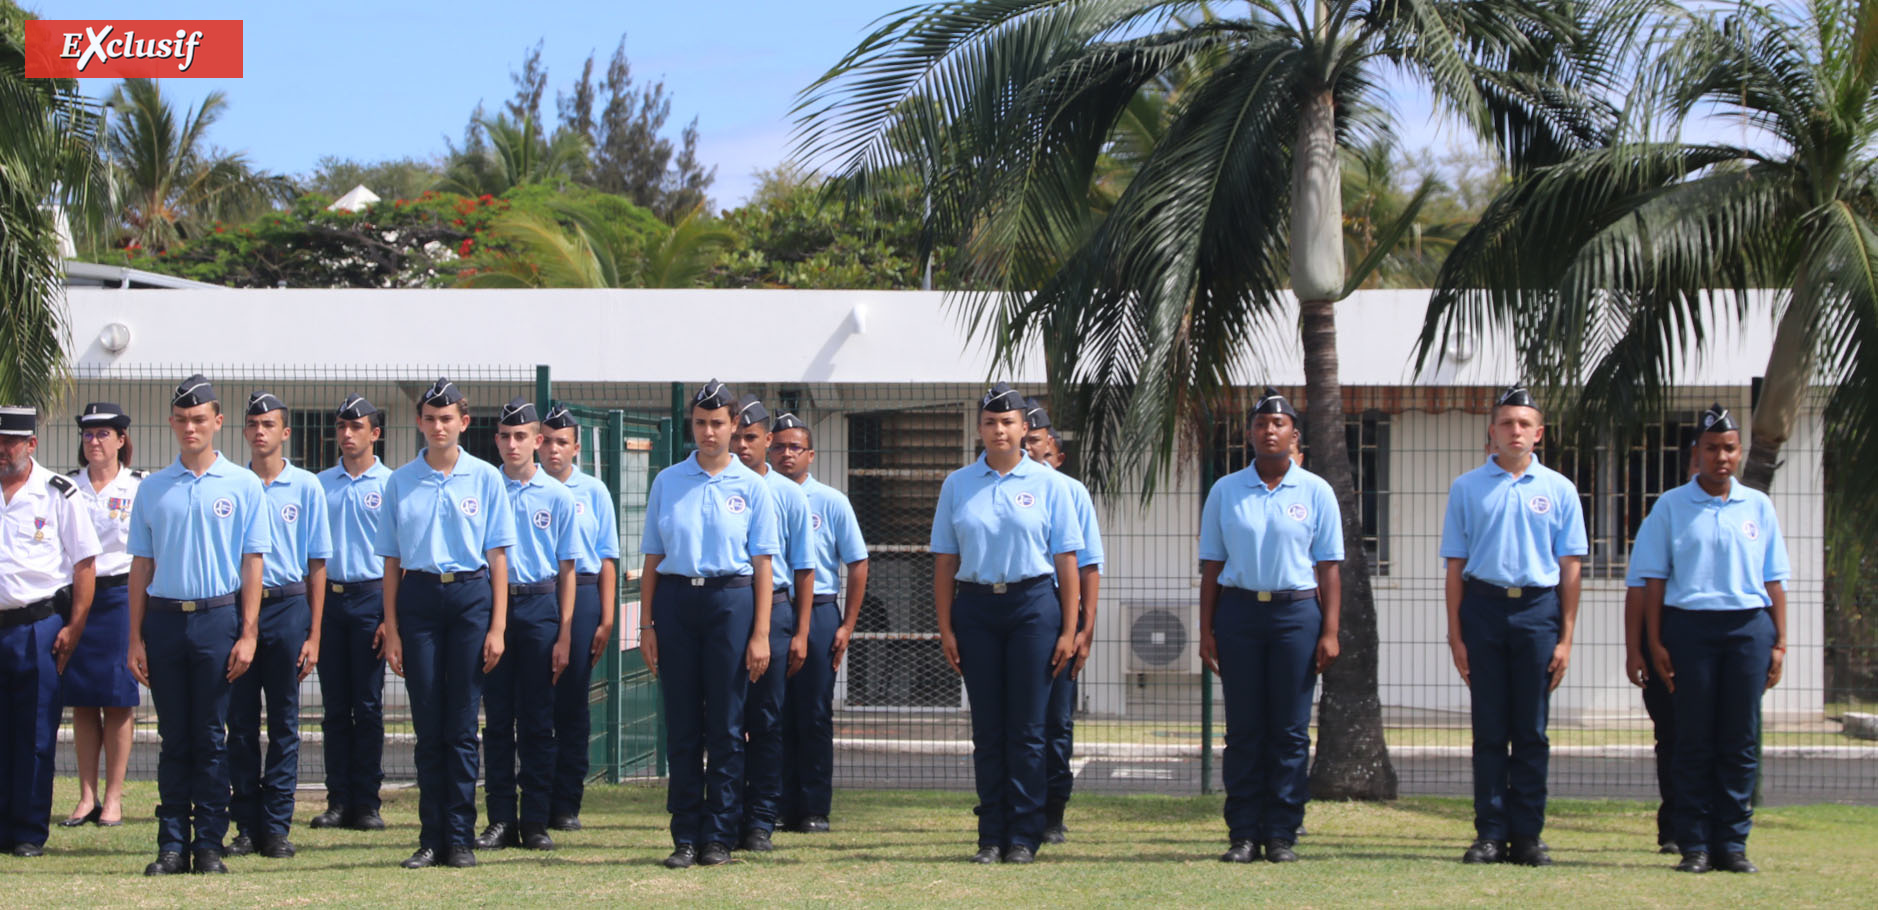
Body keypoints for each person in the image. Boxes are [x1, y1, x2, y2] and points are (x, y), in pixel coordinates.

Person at [931, 382, 1082, 865]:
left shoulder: (1051, 485)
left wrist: (1069, 629)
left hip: (1033, 606)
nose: (999, 430)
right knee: (989, 729)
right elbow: (944, 561)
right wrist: (946, 627)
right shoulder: (958, 484)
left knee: (1029, 729)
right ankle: (991, 834)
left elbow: (1067, 562)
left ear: (1024, 428)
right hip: (976, 608)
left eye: (1008, 422)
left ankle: (1024, 834)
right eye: (991, 422)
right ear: (980, 428)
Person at [127, 375, 271, 875]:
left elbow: (253, 563)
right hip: (165, 621)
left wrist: (249, 632)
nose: (190, 427)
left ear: (217, 422)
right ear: (172, 423)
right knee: (174, 740)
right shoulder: (152, 487)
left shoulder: (243, 485)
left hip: (216, 619)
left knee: (213, 737)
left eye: (199, 419)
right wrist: (135, 639)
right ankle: (171, 844)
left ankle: (208, 842)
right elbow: (140, 567)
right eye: (182, 420)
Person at [1636, 404, 1789, 875]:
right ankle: (1695, 843)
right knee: (1694, 738)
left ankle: (1733, 843)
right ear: (1696, 453)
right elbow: (1653, 581)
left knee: (1740, 740)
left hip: (1748, 629)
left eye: (1728, 448)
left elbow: (1775, 580)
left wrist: (1780, 643)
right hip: (1690, 629)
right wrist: (1655, 641)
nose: (1721, 457)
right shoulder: (1671, 506)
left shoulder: (1758, 507)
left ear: (1739, 453)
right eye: (1711, 449)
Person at [1439, 385, 1586, 867]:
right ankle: (1489, 833)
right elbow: (1456, 565)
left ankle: (1526, 835)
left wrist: (1564, 637)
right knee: (1488, 729)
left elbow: (1570, 567)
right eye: (1507, 423)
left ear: (1538, 433)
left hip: (1538, 612)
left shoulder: (1560, 490)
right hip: (1483, 609)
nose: (1515, 431)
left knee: (1531, 730)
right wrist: (1456, 634)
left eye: (1524, 424)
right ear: (1492, 432)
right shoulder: (1467, 488)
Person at [375, 377, 516, 869]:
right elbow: (391, 561)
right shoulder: (400, 481)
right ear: (419, 423)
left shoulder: (485, 478)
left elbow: (498, 558)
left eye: (447, 418)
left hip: (470, 597)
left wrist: (497, 627)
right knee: (428, 722)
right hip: (418, 597)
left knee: (461, 723)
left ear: (464, 422)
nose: (439, 427)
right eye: (430, 419)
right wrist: (391, 627)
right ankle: (431, 836)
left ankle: (459, 836)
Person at [639, 380, 781, 869]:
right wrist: (647, 625)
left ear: (735, 425)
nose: (708, 432)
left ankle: (719, 834)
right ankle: (684, 834)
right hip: (678, 602)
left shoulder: (753, 486)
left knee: (725, 725)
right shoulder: (667, 481)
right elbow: (654, 557)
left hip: (731, 602)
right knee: (681, 724)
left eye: (717, 423)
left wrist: (761, 632)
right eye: (700, 423)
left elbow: (763, 564)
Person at [1197, 388, 1341, 864]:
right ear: (1250, 434)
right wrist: (1206, 630)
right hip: (1239, 613)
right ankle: (1242, 833)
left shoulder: (1316, 491)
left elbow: (1328, 568)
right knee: (1243, 730)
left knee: (1290, 730)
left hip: (1295, 615)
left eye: (1278, 425)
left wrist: (1330, 631)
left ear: (1293, 435)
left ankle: (1281, 833)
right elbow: (1212, 567)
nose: (1269, 431)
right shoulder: (1226, 490)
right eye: (1260, 425)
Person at [228, 392, 332, 860]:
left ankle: (275, 826)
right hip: (238, 609)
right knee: (241, 723)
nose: (260, 431)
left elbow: (316, 566)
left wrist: (313, 633)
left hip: (288, 607)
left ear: (285, 432)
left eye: (269, 424)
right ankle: (246, 825)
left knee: (285, 722)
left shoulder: (307, 487)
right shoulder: (231, 484)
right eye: (253, 424)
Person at [476, 398, 577, 853]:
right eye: (504, 436)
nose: (512, 444)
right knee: (497, 720)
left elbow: (568, 569)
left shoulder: (557, 496)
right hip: (490, 611)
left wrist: (565, 634)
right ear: (495, 439)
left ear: (537, 441)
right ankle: (499, 818)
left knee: (538, 721)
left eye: (521, 436)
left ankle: (535, 819)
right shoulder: (482, 487)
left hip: (538, 608)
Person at [0, 405, 101, 857]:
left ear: (31, 445)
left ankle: (26, 831)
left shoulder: (58, 493)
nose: (2, 451)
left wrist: (75, 627)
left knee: (36, 735)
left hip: (37, 627)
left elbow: (84, 564)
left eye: (10, 443)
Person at [767, 411, 868, 834]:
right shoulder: (759, 493)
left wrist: (846, 624)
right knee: (771, 713)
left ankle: (812, 807)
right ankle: (772, 803)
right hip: (772, 607)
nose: (787, 454)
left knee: (812, 712)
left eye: (795, 447)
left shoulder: (831, 501)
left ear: (811, 454)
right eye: (780, 447)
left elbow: (858, 562)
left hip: (821, 609)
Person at [728, 394, 814, 853]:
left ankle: (761, 818)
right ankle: (726, 812)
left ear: (767, 440)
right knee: (724, 719)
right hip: (727, 606)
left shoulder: (788, 495)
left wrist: (801, 631)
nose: (742, 446)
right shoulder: (718, 484)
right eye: (736, 436)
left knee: (766, 718)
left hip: (776, 611)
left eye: (750, 437)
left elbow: (804, 568)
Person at [1019, 400, 1103, 845]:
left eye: (1036, 441)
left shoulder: (1070, 491)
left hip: (1057, 608)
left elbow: (1088, 566)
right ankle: (1015, 805)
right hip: (1018, 609)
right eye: (1024, 440)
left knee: (1055, 722)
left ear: (1052, 444)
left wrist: (1084, 630)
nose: (1028, 448)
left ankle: (1053, 810)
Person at [59, 402, 144, 829]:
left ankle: (113, 797)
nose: (94, 441)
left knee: (117, 699)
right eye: (88, 434)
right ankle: (86, 795)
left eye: (103, 434)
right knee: (83, 700)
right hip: (77, 600)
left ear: (121, 440)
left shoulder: (138, 486)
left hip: (119, 597)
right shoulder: (67, 487)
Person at [537, 402, 620, 832]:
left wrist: (607, 618)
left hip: (584, 594)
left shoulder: (594, 492)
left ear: (576, 448)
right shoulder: (518, 486)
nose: (553, 451)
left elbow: (607, 557)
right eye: (547, 442)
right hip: (536, 593)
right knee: (535, 702)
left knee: (572, 701)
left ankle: (566, 802)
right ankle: (533, 795)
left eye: (562, 443)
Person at [312, 394, 393, 832]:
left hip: (371, 598)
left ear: (374, 434)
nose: (346, 434)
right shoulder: (320, 484)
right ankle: (338, 799)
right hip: (330, 600)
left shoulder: (390, 485)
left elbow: (396, 557)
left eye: (356, 427)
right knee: (335, 707)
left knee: (368, 704)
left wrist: (388, 616)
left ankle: (367, 801)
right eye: (342, 426)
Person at [1625, 442, 1700, 856]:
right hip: (1665, 635)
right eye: (1702, 454)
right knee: (1671, 736)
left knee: (1710, 738)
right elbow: (1638, 586)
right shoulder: (1665, 514)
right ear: (1693, 460)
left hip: (1712, 637)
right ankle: (1673, 827)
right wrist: (1634, 649)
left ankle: (1707, 825)